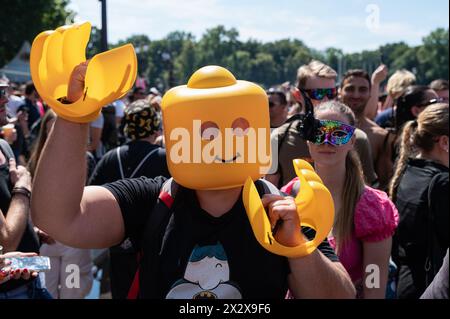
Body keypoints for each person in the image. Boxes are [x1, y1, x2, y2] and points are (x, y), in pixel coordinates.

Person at [32, 63, 356, 299]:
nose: (223, 143)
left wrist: (297, 245)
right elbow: (60, 218)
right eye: (208, 133)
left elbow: (340, 296)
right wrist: (73, 114)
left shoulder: (282, 211)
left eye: (238, 130)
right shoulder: (151, 200)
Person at [281, 101, 398, 298]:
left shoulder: (372, 206)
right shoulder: (289, 193)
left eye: (338, 134)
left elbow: (374, 281)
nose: (327, 141)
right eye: (318, 132)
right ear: (308, 140)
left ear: (352, 141)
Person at [89, 99, 170, 299]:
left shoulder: (110, 157)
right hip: (153, 244)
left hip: (117, 242)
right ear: (154, 126)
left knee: (121, 291)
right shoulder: (164, 158)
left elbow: (91, 193)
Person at [267, 60, 377, 188]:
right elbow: (270, 189)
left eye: (330, 93)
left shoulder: (356, 138)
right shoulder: (279, 137)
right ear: (297, 95)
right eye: (317, 94)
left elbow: (368, 192)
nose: (325, 100)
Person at [27, 110, 93, 299]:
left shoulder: (84, 159)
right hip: (45, 240)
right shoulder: (34, 163)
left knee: (72, 291)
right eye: (53, 131)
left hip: (73, 240)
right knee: (45, 290)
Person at [389, 103, 449, 299]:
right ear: (445, 142)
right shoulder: (443, 182)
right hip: (432, 285)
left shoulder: (407, 171)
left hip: (408, 282)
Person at [340, 69, 395, 190]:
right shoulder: (324, 129)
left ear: (370, 94)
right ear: (340, 92)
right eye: (350, 89)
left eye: (362, 90)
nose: (356, 95)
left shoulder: (380, 136)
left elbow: (384, 184)